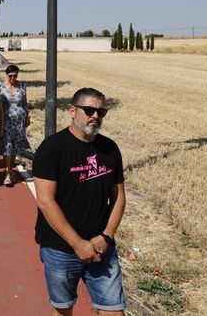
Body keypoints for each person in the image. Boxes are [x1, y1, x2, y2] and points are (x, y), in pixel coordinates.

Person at [33, 88, 126, 315]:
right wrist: (77, 243)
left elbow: (118, 198)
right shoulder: (52, 148)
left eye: (101, 112)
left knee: (114, 311)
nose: (95, 116)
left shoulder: (110, 149)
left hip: (101, 248)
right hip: (61, 249)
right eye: (89, 110)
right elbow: (45, 202)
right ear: (72, 111)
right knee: (63, 309)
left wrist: (106, 236)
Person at [0, 64, 31, 186]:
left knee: (15, 147)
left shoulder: (22, 85)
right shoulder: (0, 86)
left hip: (19, 123)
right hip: (6, 122)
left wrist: (27, 117)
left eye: (15, 76)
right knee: (8, 146)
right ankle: (7, 173)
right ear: (7, 75)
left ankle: (11, 170)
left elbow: (25, 103)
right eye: (10, 76)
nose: (13, 78)